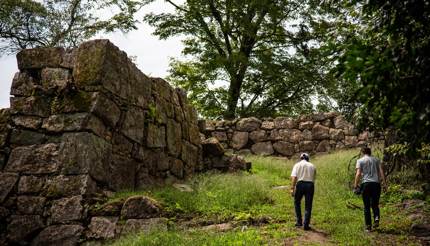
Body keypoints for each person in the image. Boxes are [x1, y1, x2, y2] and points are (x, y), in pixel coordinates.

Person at [354, 147, 385, 232]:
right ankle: (376, 218)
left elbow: (358, 173)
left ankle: (368, 227)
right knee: (375, 204)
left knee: (366, 206)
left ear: (363, 152)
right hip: (376, 184)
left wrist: (355, 185)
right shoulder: (376, 160)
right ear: (370, 152)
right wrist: (384, 183)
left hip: (366, 184)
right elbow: (381, 172)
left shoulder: (360, 161)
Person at [291, 153, 316, 231]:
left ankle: (299, 221)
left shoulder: (297, 165)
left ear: (300, 158)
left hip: (300, 184)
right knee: (308, 205)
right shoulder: (312, 166)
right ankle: (306, 224)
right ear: (308, 158)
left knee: (297, 202)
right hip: (310, 185)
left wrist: (292, 188)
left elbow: (294, 177)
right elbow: (314, 177)